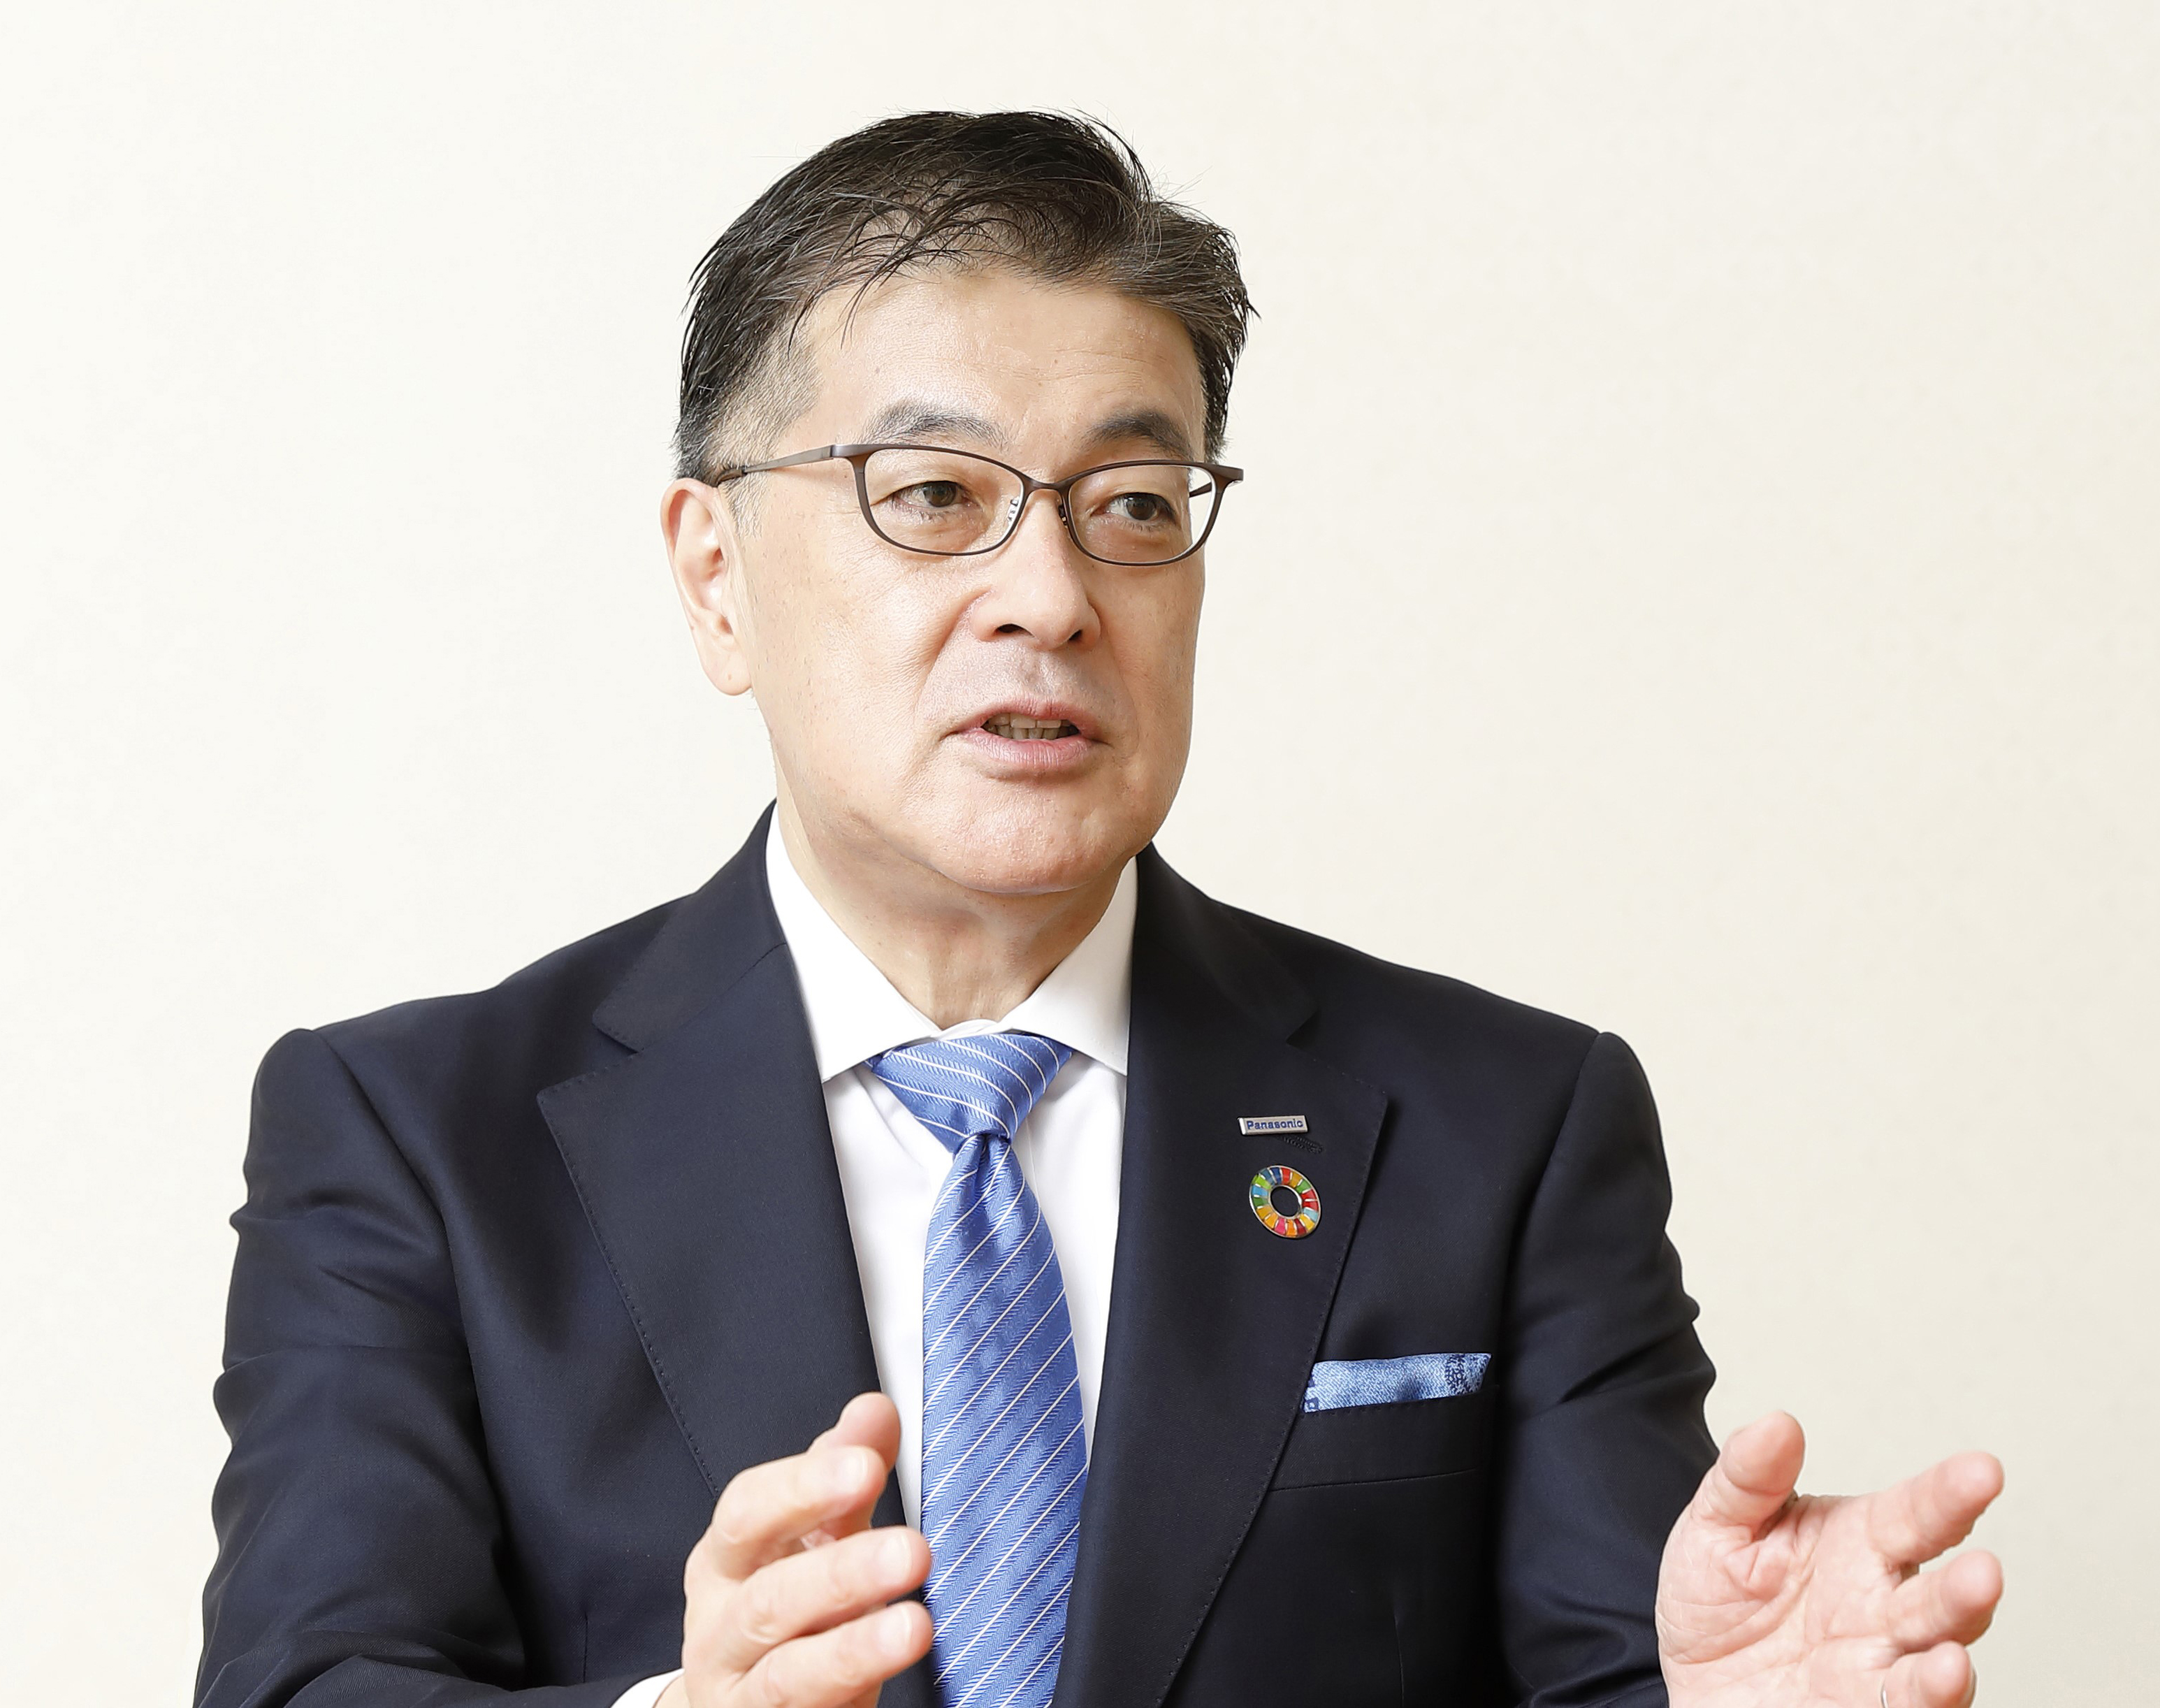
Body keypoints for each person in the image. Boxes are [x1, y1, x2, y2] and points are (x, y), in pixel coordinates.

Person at [197, 111, 2004, 1708]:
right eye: (935, 496)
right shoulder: (415, 1142)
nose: (1052, 597)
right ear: (715, 574)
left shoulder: (1506, 1126)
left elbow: (1623, 1666)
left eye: (1133, 504)